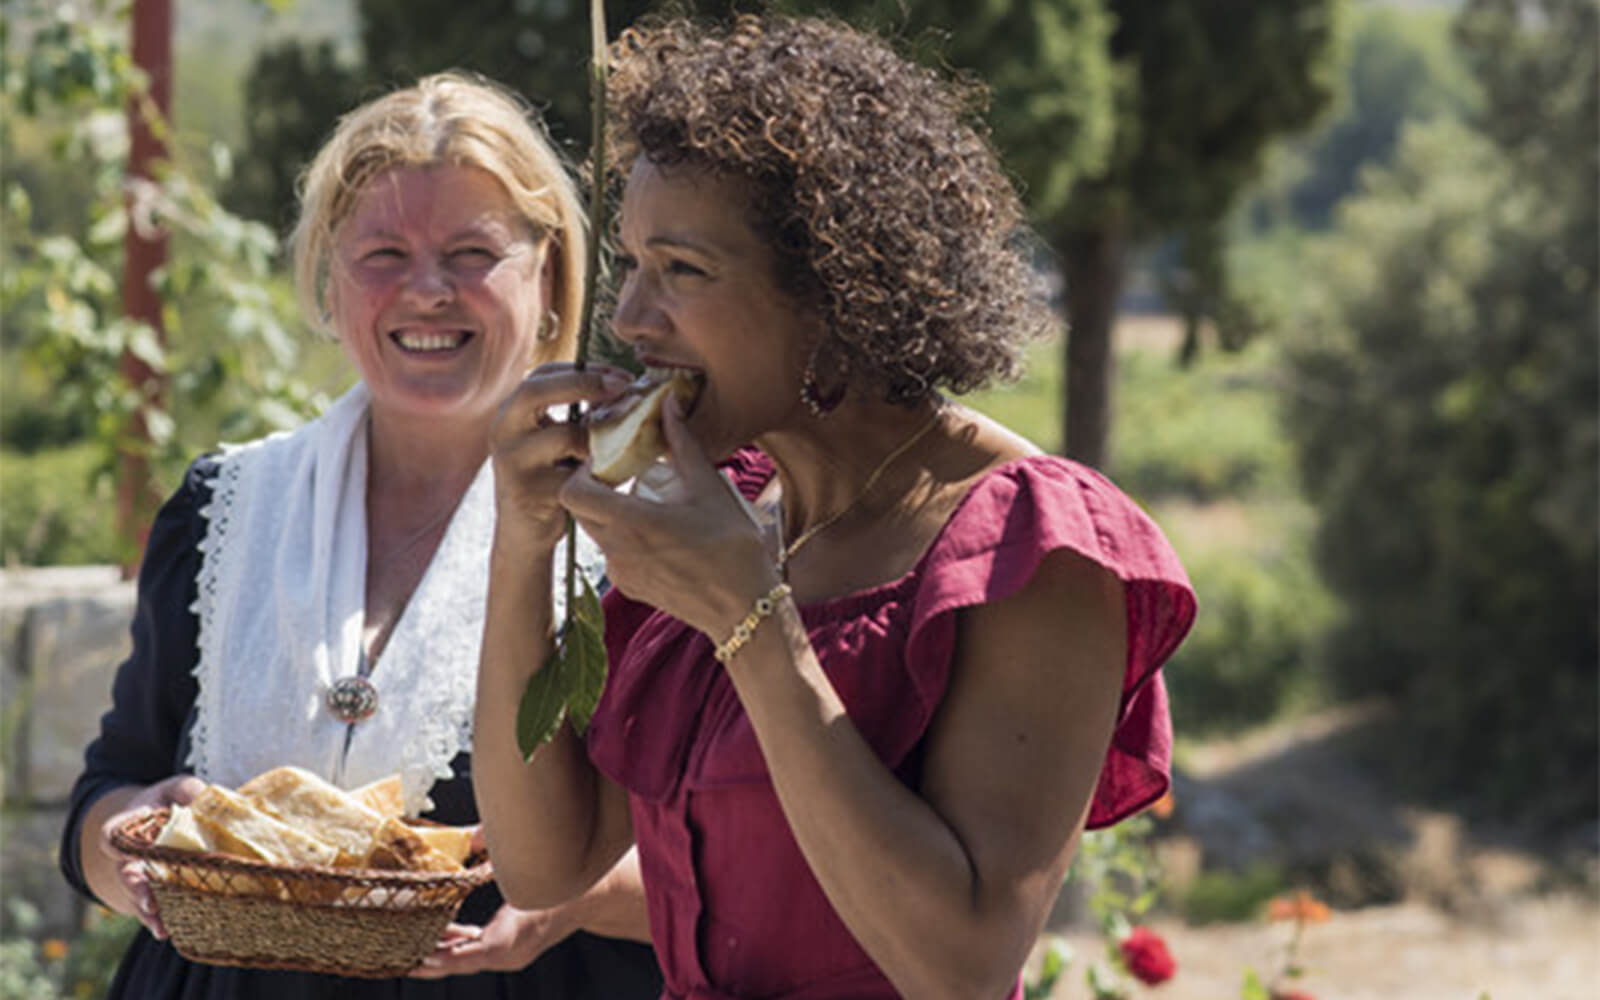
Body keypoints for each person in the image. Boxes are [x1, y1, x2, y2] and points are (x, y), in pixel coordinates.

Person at [475, 15, 1197, 1000]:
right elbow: (544, 863)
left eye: (682, 271)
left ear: (835, 294)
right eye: (632, 266)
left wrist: (750, 621)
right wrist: (521, 540)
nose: (632, 319)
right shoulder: (719, 505)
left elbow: (964, 966)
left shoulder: (1030, 548)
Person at [59, 72, 663, 999]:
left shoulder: (632, 533)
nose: (427, 291)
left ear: (548, 278)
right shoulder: (222, 509)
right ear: (330, 277)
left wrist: (564, 901)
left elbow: (730, 863)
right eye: (384, 252)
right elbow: (107, 795)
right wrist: (134, 844)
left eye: (472, 253)